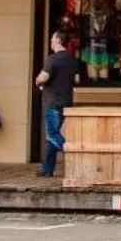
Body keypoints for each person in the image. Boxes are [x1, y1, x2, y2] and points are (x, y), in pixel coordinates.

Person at [35, 31, 83, 178]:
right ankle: (46, 169)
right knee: (51, 136)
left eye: (53, 37)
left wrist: (38, 81)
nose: (50, 39)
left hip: (52, 102)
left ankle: (77, 157)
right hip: (66, 101)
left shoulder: (52, 59)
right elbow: (77, 79)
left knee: (52, 135)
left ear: (58, 40)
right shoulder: (72, 59)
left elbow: (44, 77)